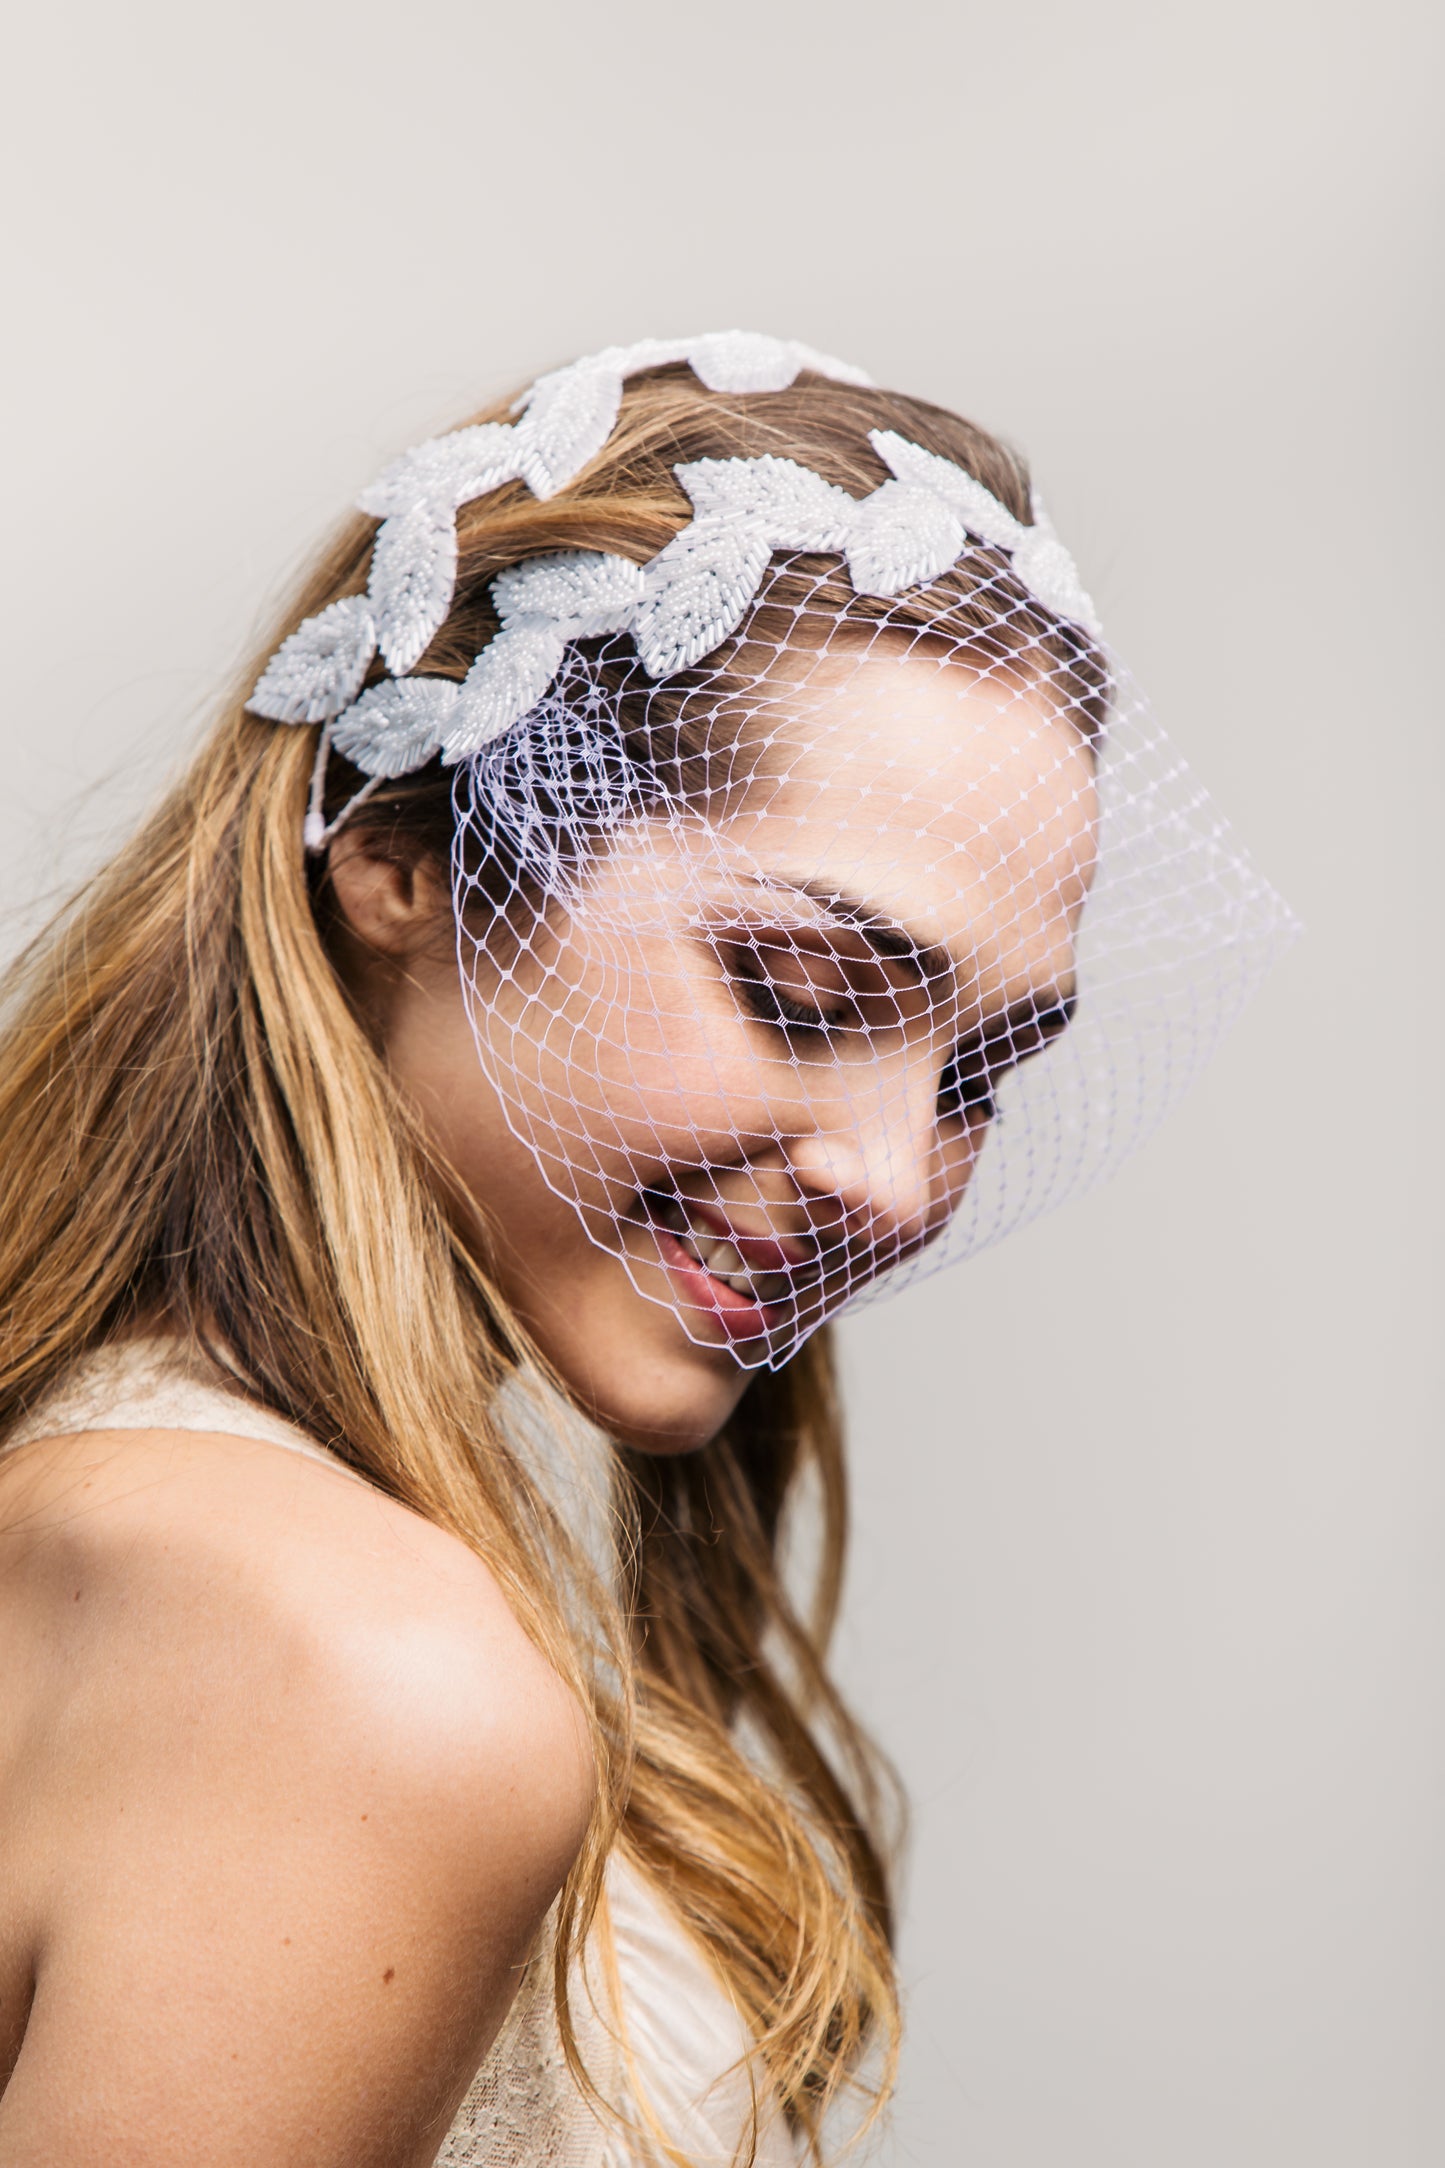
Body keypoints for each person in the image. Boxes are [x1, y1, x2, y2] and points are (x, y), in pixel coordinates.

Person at [0, 333, 1289, 2164]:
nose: (899, 1183)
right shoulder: (351, 1664)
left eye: (978, 1073)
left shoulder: (151, 1518)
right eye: (802, 986)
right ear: (405, 853)